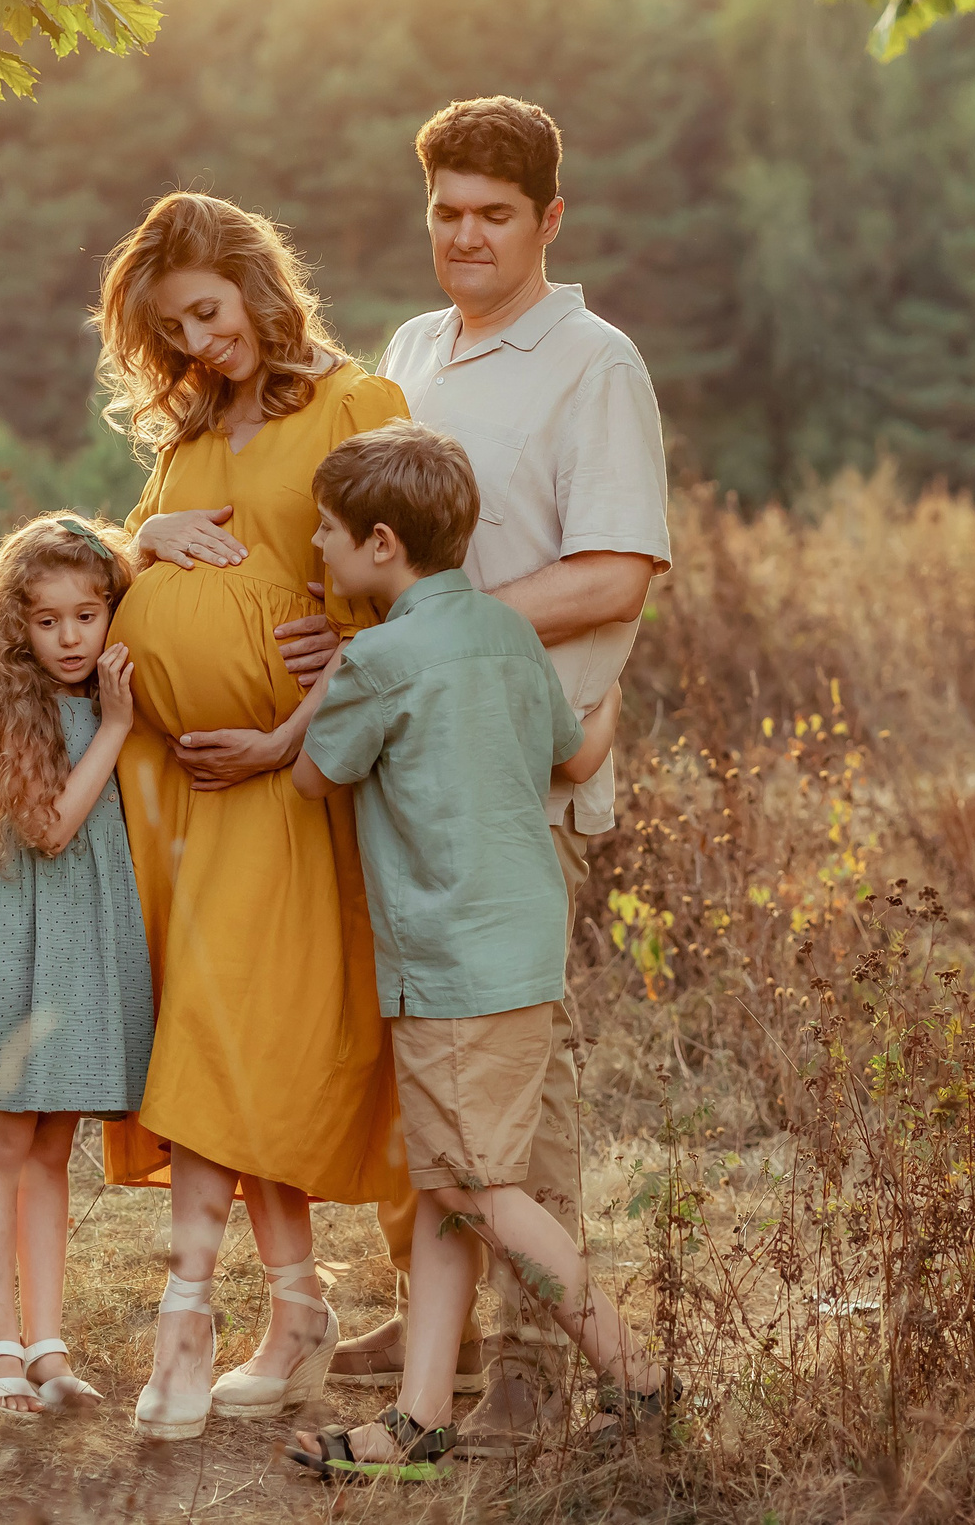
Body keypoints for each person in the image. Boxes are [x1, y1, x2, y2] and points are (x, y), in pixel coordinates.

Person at [261, 96, 670, 1452]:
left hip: (512, 766)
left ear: (550, 219)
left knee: (513, 1094)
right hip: (414, 774)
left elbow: (616, 569)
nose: (468, 237)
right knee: (435, 1084)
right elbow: (393, 546)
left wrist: (445, 641)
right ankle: (436, 1339)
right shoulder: (417, 346)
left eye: (497, 214)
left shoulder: (593, 364)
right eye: (447, 211)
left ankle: (545, 1368)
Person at [91, 192, 413, 1441]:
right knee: (218, 1032)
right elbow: (139, 581)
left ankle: (194, 1320)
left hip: (284, 778)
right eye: (174, 329)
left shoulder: (355, 405)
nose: (201, 344)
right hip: (172, 784)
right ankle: (296, 1311)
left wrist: (313, 695)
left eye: (212, 314)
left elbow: (408, 589)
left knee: (232, 1025)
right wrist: (139, 539)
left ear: (259, 284)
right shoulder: (183, 434)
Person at [0, 514, 156, 1418]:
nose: (69, 637)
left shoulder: (105, 692)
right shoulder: (9, 704)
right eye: (47, 620)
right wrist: (119, 728)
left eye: (87, 616)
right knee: (4, 1143)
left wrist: (157, 534)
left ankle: (47, 1343)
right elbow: (53, 828)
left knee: (54, 1146)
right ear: (17, 625)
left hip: (83, 935)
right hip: (22, 939)